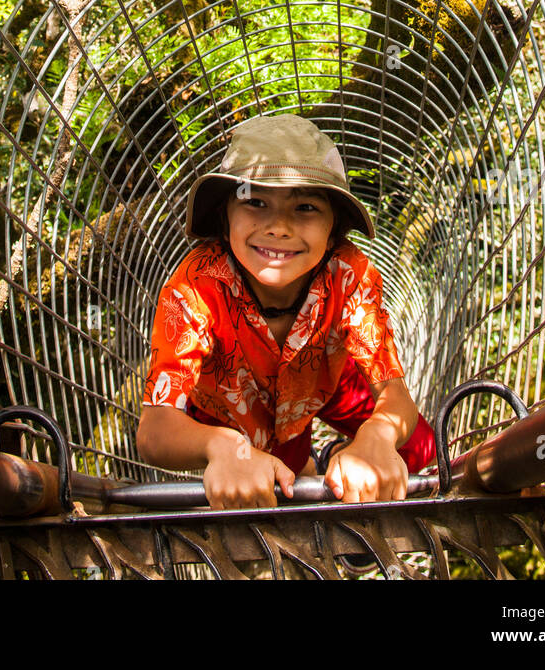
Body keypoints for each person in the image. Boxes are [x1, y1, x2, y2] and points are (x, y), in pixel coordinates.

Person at [137, 112, 436, 510]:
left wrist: (375, 439)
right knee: (282, 481)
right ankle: (312, 466)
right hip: (228, 404)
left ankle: (335, 463)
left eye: (306, 208)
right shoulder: (195, 285)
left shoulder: (350, 274)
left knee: (420, 448)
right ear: (225, 219)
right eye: (255, 202)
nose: (278, 227)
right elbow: (155, 431)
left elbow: (395, 396)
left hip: (321, 379)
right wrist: (220, 446)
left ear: (334, 230)